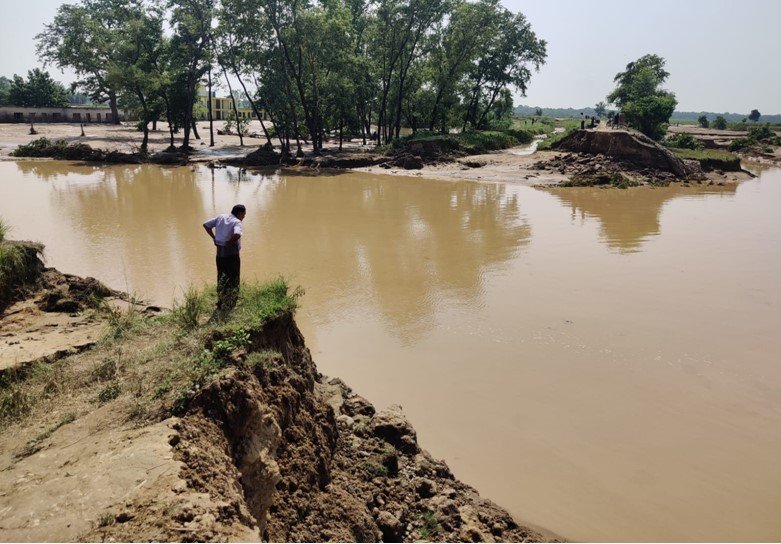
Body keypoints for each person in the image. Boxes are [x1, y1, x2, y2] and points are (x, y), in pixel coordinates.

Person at [203, 204, 246, 312]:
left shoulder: (220, 217)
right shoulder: (237, 221)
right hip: (232, 254)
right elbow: (237, 234)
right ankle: (232, 302)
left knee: (221, 276)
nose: (243, 217)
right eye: (244, 215)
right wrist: (229, 243)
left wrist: (214, 238)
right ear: (240, 213)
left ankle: (221, 301)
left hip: (220, 254)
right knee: (234, 277)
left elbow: (206, 225)